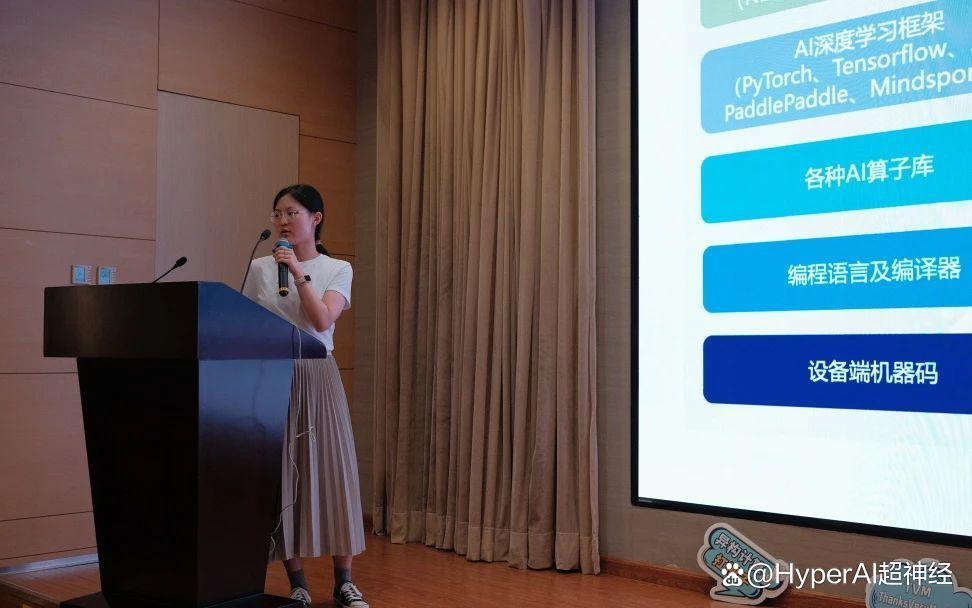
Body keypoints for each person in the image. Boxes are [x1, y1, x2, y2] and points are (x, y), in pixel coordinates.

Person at [243, 184, 368, 608]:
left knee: (335, 470)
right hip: (272, 376)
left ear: (316, 218)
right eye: (277, 213)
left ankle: (344, 582)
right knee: (282, 476)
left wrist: (297, 272)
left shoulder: (337, 268)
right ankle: (297, 585)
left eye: (292, 213)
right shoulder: (260, 269)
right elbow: (246, 325)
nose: (282, 221)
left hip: (318, 374)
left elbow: (320, 321)